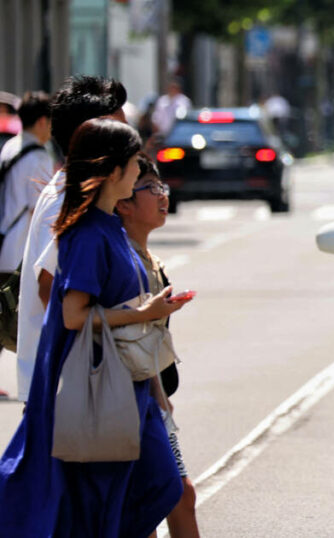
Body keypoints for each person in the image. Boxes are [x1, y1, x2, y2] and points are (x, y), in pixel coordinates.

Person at [0, 118, 187, 536]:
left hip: (125, 383)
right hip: (92, 385)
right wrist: (143, 313)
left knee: (151, 486)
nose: (142, 172)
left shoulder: (110, 229)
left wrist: (157, 391)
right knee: (104, 494)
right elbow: (72, 314)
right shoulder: (87, 234)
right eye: (135, 164)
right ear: (113, 172)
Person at [16, 75, 128, 404]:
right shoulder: (69, 197)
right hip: (68, 389)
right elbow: (49, 286)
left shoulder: (81, 191)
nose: (130, 144)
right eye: (121, 133)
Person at [116, 155, 199, 537]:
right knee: (174, 494)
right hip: (132, 399)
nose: (162, 196)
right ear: (124, 202)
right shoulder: (121, 256)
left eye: (162, 187)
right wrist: (159, 400)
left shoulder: (145, 255)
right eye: (150, 188)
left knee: (160, 498)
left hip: (151, 396)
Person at [0, 91, 53, 400]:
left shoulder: (10, 147)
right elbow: (42, 207)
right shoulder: (37, 156)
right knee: (21, 319)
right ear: (43, 121)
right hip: (21, 249)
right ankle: (38, 382)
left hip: (5, 242)